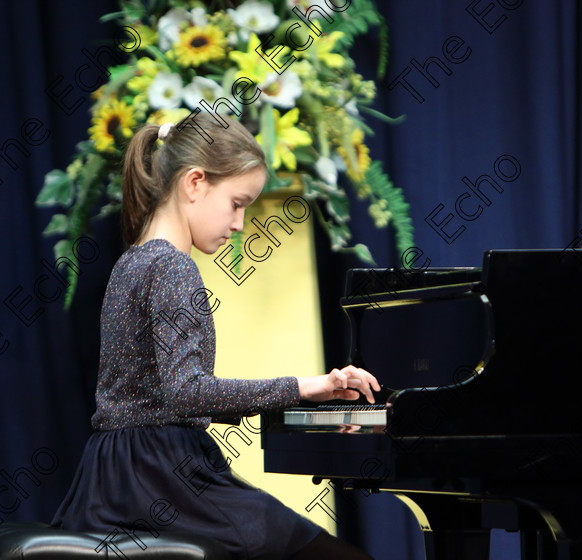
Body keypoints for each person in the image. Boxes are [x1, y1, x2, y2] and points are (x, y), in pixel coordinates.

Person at [51, 112, 380, 560]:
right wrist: (307, 386)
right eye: (237, 203)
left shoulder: (131, 261)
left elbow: (152, 396)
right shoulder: (173, 267)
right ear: (194, 183)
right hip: (160, 477)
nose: (241, 223)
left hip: (113, 476)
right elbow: (186, 394)